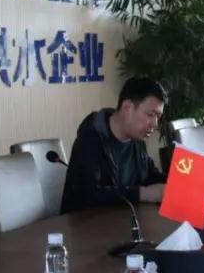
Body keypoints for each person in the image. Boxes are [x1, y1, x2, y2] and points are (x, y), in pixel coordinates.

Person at [62, 76, 167, 213]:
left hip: (125, 219)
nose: (154, 124)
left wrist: (177, 183)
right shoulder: (91, 137)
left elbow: (149, 175)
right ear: (127, 107)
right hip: (85, 222)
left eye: (158, 116)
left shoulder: (137, 138)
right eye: (150, 114)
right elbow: (90, 195)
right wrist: (144, 194)